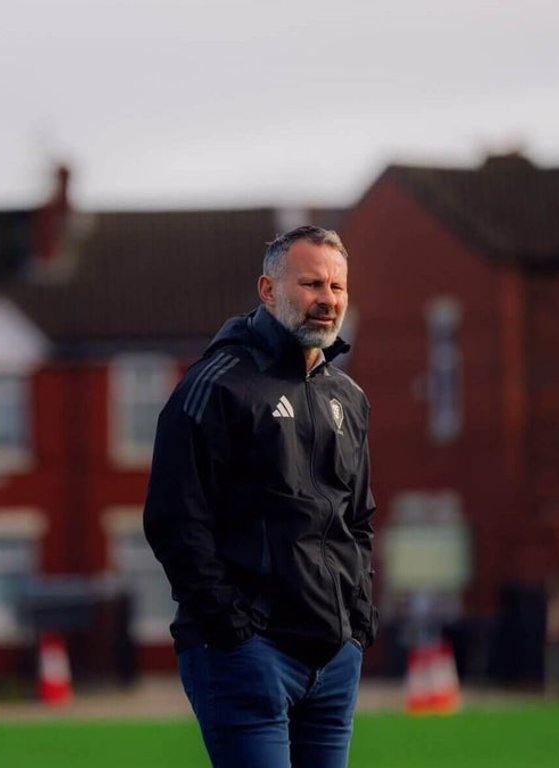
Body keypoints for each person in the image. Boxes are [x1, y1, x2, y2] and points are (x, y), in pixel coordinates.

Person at [144, 225, 377, 768]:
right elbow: (175, 520)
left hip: (333, 658)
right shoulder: (216, 385)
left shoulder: (349, 396)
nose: (328, 300)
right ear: (268, 291)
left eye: (337, 287)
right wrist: (232, 626)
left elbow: (358, 519)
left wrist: (357, 623)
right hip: (248, 653)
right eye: (311, 284)